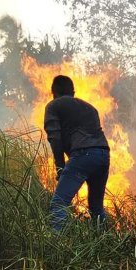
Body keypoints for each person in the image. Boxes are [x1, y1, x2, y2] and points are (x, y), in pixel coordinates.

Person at [44, 75, 110, 231]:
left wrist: (60, 166)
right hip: (103, 155)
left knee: (58, 204)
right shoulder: (91, 108)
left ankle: (58, 248)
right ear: (73, 91)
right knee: (96, 207)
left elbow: (55, 138)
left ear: (54, 92)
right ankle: (106, 243)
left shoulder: (53, 106)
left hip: (83, 155)